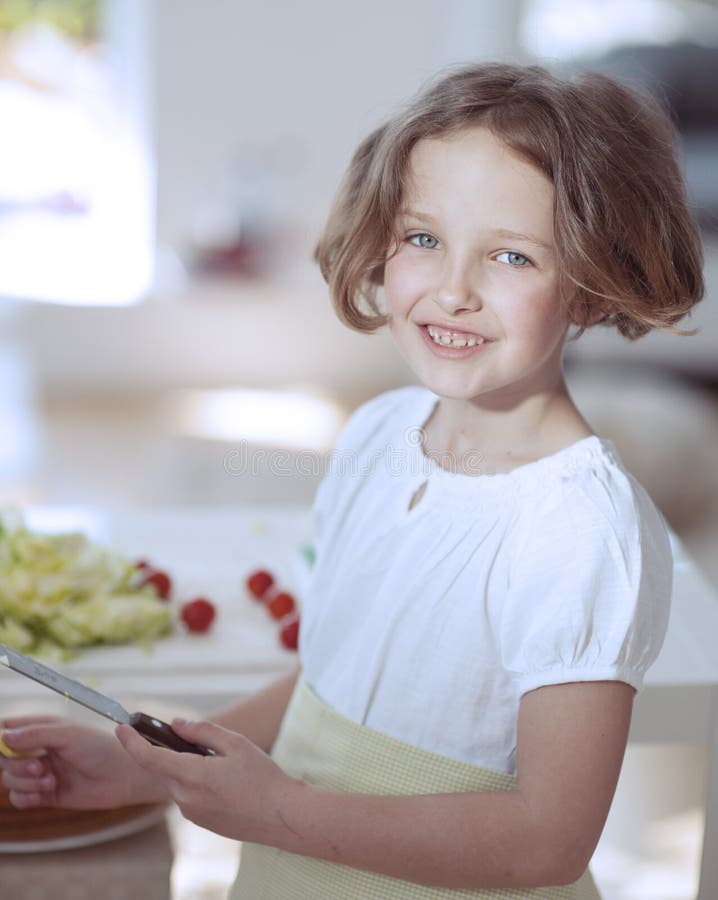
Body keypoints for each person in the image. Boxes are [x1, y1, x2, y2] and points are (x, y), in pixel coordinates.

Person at [0, 63, 704, 898]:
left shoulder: (580, 530)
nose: (453, 290)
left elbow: (544, 842)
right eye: (423, 238)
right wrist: (148, 764)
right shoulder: (377, 436)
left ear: (592, 285)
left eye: (512, 256)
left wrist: (277, 811)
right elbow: (325, 692)